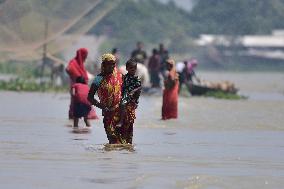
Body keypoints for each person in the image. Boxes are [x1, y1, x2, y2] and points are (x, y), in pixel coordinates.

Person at [88, 53, 124, 144]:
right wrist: (103, 107)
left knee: (124, 142)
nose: (111, 66)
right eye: (109, 64)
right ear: (103, 65)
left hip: (121, 114)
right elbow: (90, 97)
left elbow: (126, 91)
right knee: (112, 141)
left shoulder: (120, 76)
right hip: (108, 113)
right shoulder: (98, 79)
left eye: (113, 64)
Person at [66, 48, 98, 120]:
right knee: (76, 102)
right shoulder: (73, 62)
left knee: (81, 101)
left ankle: (79, 117)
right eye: (85, 56)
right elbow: (68, 69)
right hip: (75, 86)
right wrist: (76, 77)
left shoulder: (81, 65)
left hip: (81, 87)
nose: (85, 58)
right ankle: (75, 116)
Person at [119, 58, 142, 144]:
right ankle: (123, 141)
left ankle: (129, 142)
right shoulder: (124, 77)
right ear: (127, 68)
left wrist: (134, 91)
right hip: (125, 96)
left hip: (132, 99)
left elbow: (140, 87)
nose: (133, 70)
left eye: (134, 68)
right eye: (131, 68)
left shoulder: (136, 78)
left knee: (130, 121)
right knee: (122, 105)